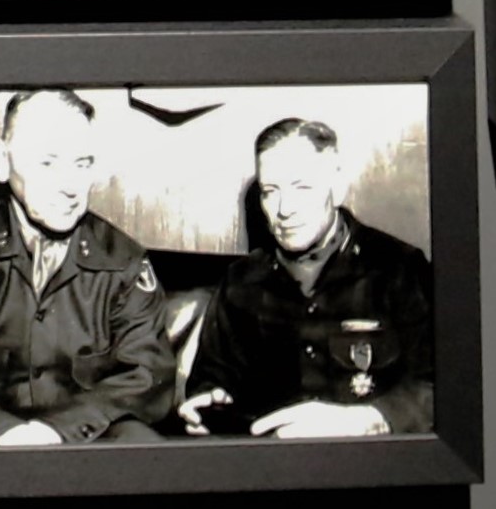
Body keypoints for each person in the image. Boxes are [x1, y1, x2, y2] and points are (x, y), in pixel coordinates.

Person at [0, 87, 173, 447]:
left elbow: (146, 373)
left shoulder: (125, 261)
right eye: (47, 163)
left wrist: (57, 430)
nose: (70, 186)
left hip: (85, 442)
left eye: (82, 164)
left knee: (142, 445)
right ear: (2, 161)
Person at [184, 117, 436, 437]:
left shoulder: (398, 269)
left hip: (370, 461)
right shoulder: (240, 282)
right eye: (270, 191)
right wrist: (209, 401)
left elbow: (442, 385)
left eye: (301, 187)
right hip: (268, 459)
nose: (285, 209)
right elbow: (212, 378)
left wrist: (368, 420)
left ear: (337, 187)